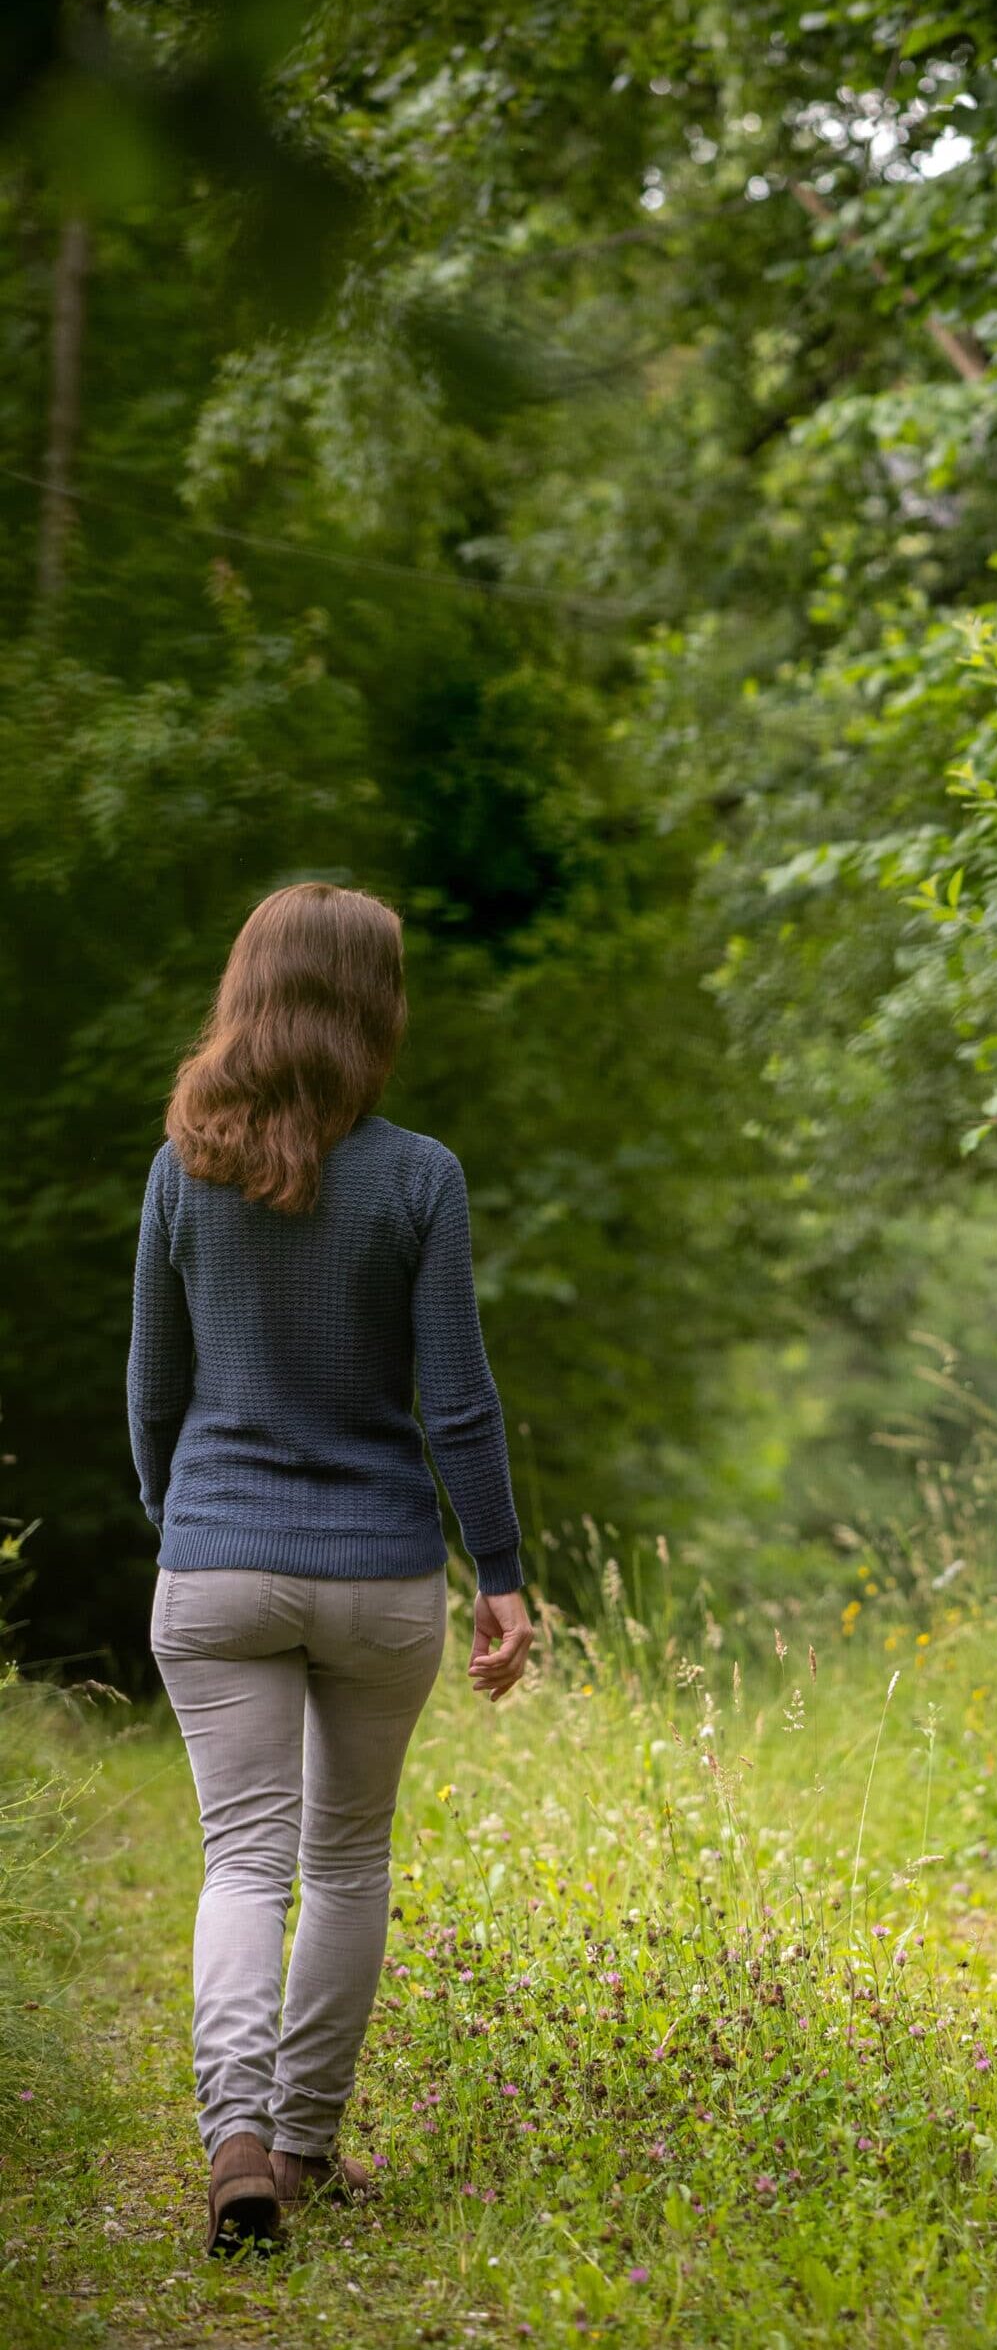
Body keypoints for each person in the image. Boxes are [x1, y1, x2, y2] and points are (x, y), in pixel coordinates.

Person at [128, 882, 535, 2255]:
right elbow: (458, 1399)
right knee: (346, 1859)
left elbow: (151, 1393)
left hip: (216, 1556)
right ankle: (302, 2145)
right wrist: (503, 1569)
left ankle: (231, 2135)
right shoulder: (419, 1174)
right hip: (374, 1571)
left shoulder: (180, 1169)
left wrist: (181, 1519)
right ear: (376, 1007)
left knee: (243, 1859)